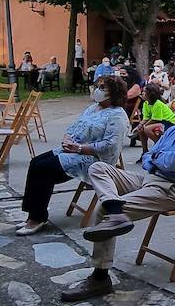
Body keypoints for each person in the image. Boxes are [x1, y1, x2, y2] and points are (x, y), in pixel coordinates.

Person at [60, 88, 175, 302]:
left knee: (102, 210)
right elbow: (148, 156)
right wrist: (157, 158)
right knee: (98, 168)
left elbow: (174, 163)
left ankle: (100, 277)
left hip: (171, 189)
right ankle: (116, 210)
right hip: (148, 179)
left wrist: (158, 158)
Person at [16, 75, 130, 235]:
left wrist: (79, 148)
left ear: (114, 93)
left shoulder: (117, 116)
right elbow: (74, 126)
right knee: (36, 162)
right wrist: (66, 139)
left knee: (44, 169)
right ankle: (33, 214)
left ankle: (38, 217)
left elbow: (110, 146)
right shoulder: (93, 108)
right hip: (73, 150)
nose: (98, 90)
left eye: (103, 88)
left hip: (92, 159)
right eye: (98, 86)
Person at [135, 81, 175, 146]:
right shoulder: (145, 103)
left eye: (144, 91)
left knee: (147, 129)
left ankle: (159, 146)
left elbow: (155, 119)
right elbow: (146, 118)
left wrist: (144, 125)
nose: (142, 93)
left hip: (169, 122)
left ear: (150, 94)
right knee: (140, 130)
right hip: (159, 121)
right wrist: (140, 125)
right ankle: (144, 151)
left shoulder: (157, 104)